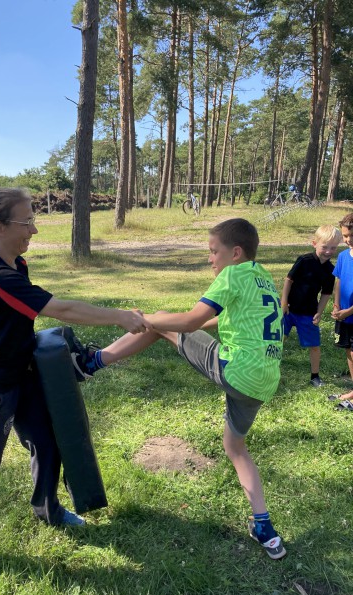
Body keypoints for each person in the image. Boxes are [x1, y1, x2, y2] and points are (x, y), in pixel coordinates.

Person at [0, 181, 149, 579]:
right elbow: (61, 309)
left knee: (48, 442)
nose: (34, 229)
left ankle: (48, 510)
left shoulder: (16, 264)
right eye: (28, 221)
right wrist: (119, 315)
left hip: (22, 373)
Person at [72, 218, 287, 560]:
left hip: (238, 370)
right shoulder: (263, 278)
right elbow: (221, 318)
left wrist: (147, 320)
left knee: (162, 322)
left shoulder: (231, 275)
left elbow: (189, 322)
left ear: (235, 253)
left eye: (213, 251)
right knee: (235, 447)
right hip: (264, 381)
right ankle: (264, 528)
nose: (209, 259)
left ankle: (90, 363)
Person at [280, 225, 341, 387]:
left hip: (308, 313)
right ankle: (269, 368)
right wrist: (284, 302)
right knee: (278, 340)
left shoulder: (330, 270)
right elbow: (288, 280)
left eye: (333, 248)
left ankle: (315, 376)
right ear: (315, 243)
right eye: (324, 247)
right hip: (288, 310)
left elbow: (326, 293)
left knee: (314, 345)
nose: (328, 251)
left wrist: (319, 312)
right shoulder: (304, 260)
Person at [331, 212, 353, 389]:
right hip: (344, 316)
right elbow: (338, 282)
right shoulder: (343, 257)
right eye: (345, 236)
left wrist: (350, 310)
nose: (348, 240)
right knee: (349, 350)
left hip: (350, 313)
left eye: (351, 236)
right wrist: (337, 305)